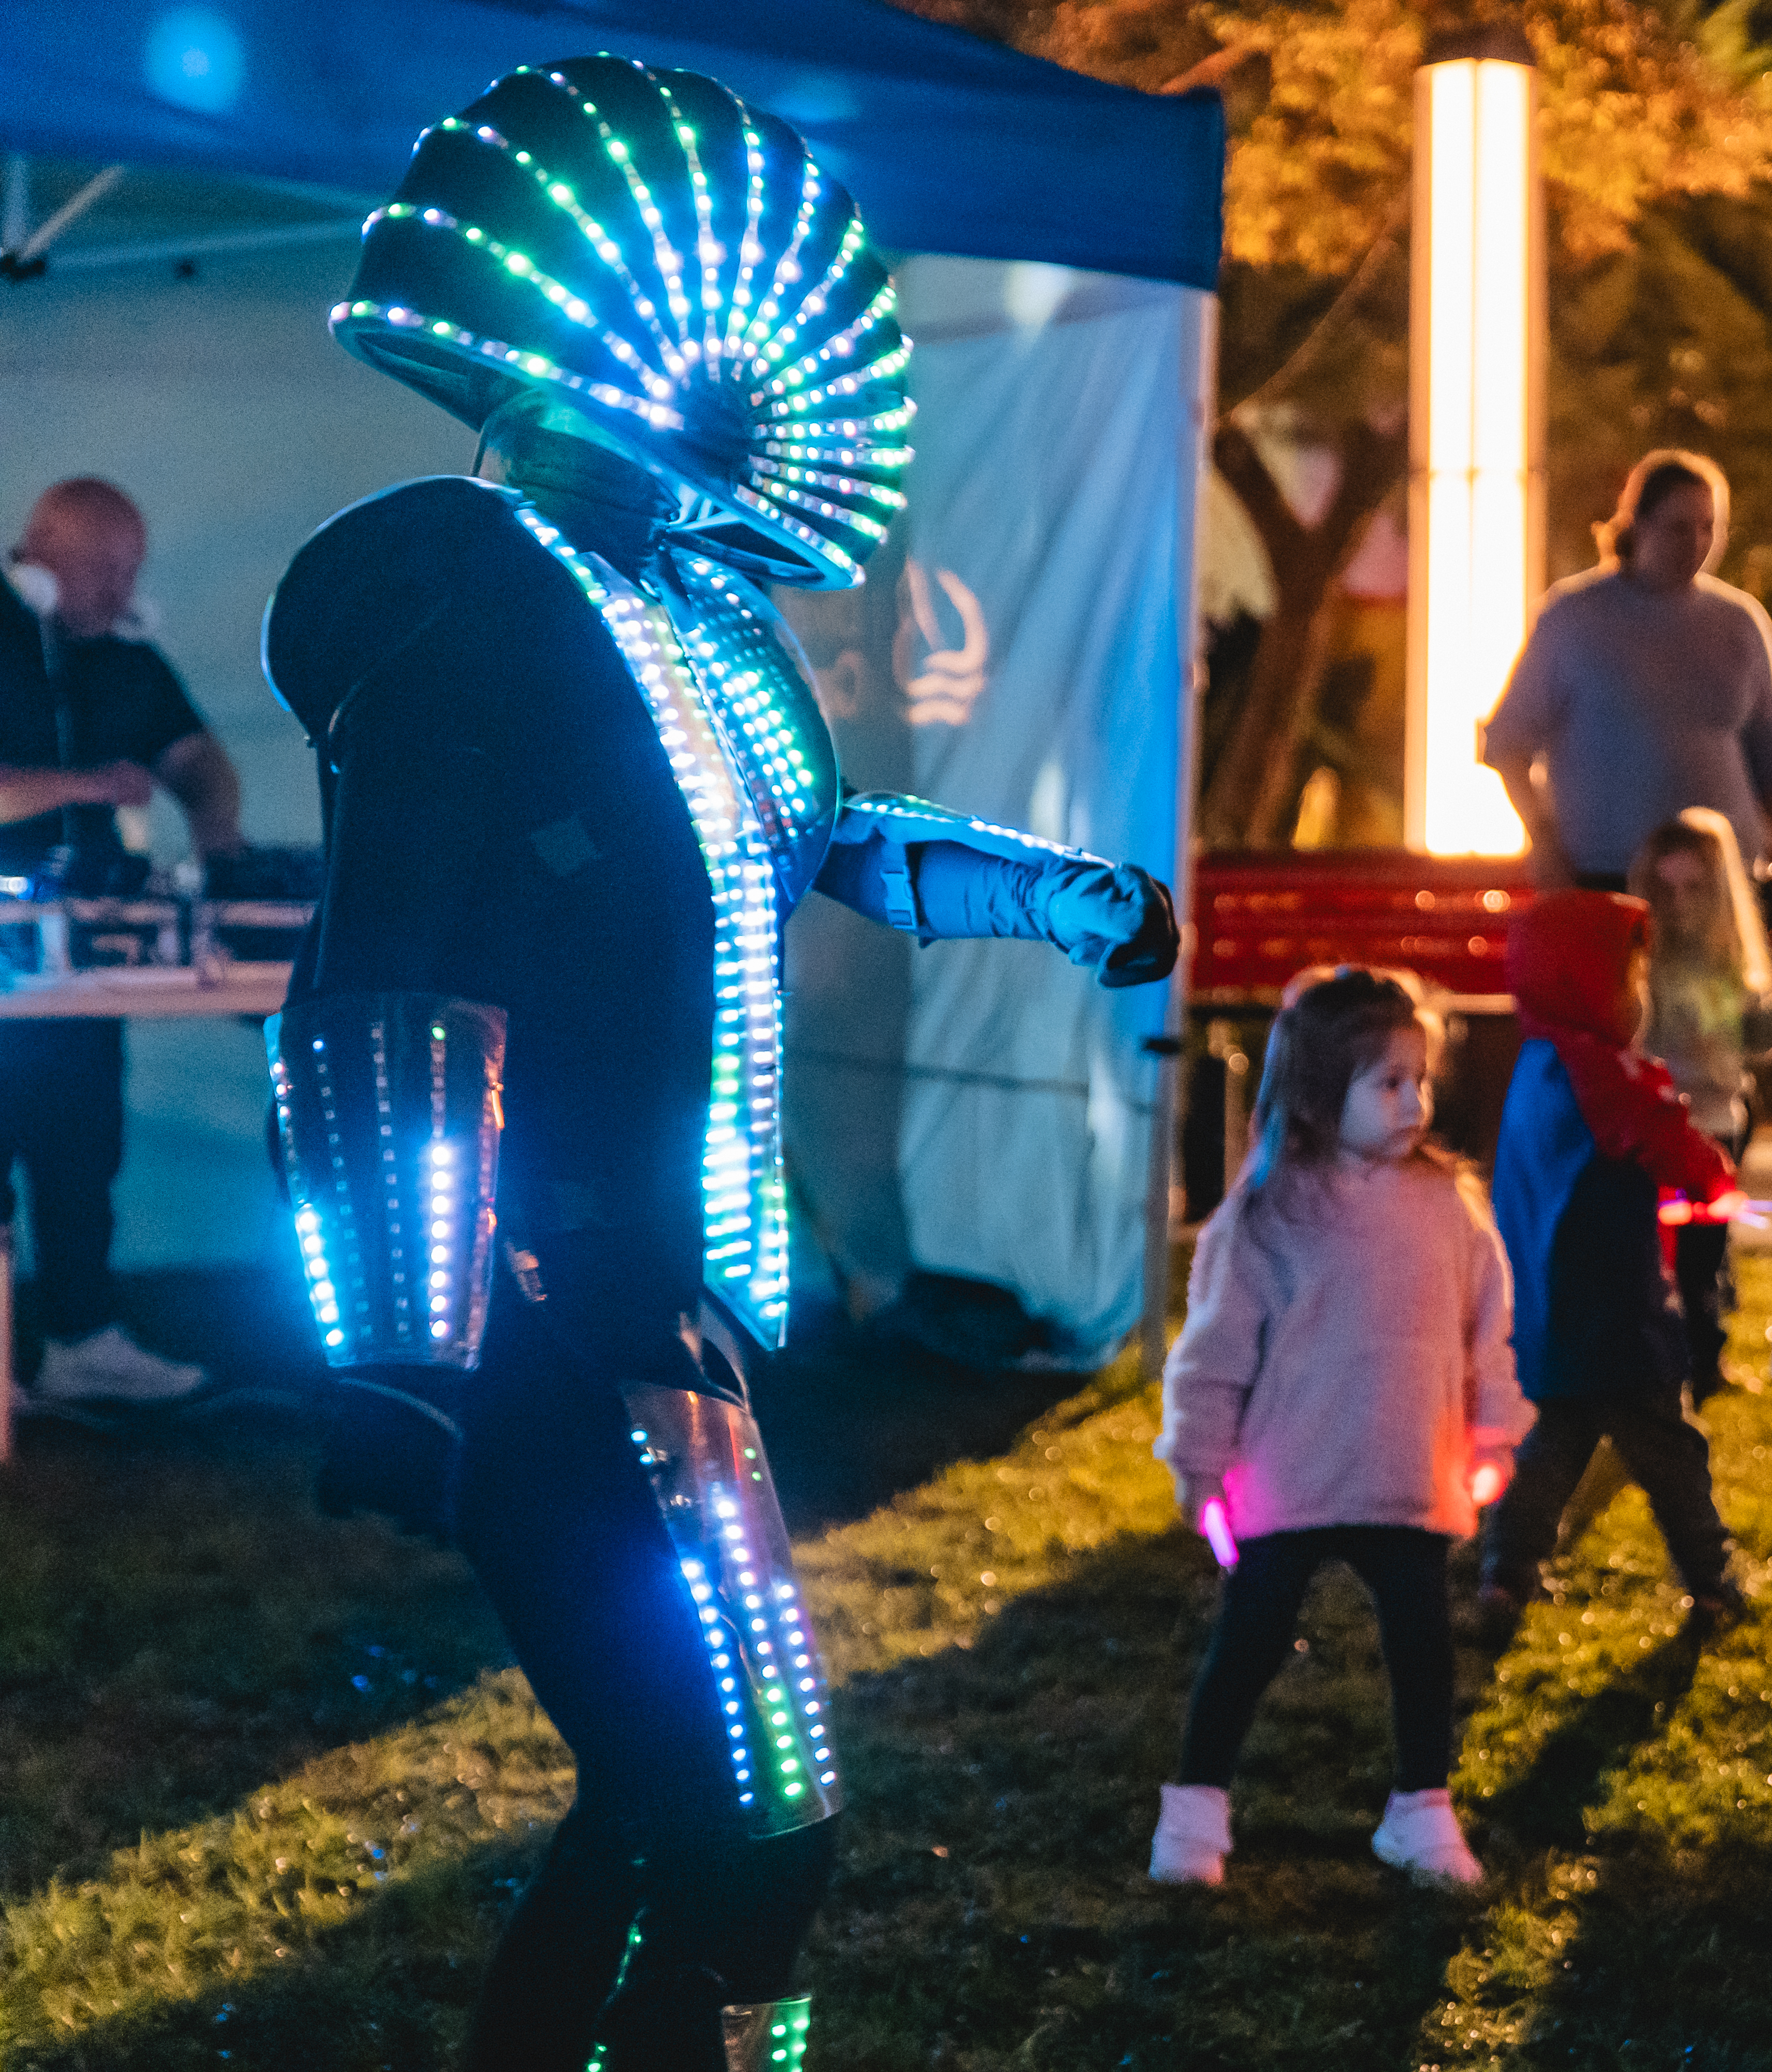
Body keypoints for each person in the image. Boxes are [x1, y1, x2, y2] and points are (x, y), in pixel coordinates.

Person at [266, 59, 1176, 2070]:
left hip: (672, 1304)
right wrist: (411, 1344)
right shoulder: (462, 596)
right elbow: (380, 971)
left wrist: (1064, 900)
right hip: (538, 1305)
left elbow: (826, 833)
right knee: (745, 1810)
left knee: (713, 1808)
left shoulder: (714, 625)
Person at [1150, 970, 1526, 1891]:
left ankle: (1421, 1811)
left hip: (1408, 1475)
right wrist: (1200, 1467)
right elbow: (1214, 1353)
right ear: (1321, 1095)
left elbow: (1488, 1332)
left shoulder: (1448, 1206)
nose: (1414, 1101)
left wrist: (1494, 1433)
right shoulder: (1266, 1219)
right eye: (1387, 1082)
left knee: (1423, 1647)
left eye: (1419, 1079)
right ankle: (1194, 1815)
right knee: (1248, 1644)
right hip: (1291, 1477)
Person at [0, 477, 251, 1404]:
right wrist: (87, 785)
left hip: (83, 960)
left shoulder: (124, 663)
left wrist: (219, 842)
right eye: (104, 568)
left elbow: (198, 760)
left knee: (80, 1143)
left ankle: (82, 1338)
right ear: (42, 557)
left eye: (131, 572)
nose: (118, 589)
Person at [1477, 889, 1748, 1639]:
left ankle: (1506, 1574)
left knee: (1550, 1449)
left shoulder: (1537, 1062)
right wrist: (1712, 1177)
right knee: (1668, 1451)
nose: (1640, 999)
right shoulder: (1604, 1072)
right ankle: (1711, 1578)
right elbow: (1669, 1144)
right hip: (1620, 1310)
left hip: (1551, 1311)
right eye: (1629, 981)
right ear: (1587, 982)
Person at [1479, 451, 1772, 895]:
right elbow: (1507, 743)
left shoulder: (1739, 622)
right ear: (1638, 525)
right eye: (1679, 528)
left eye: (1707, 528)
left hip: (1724, 880)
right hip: (1605, 873)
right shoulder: (1574, 619)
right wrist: (1543, 840)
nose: (1695, 543)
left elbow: (1771, 755)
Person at [1632, 808, 1772, 1401]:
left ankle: (1704, 1363)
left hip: (1722, 1120)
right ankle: (1678, 1364)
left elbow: (1758, 1040)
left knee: (1708, 1252)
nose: (1680, 903)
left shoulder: (1730, 962)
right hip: (1668, 1125)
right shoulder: (1645, 966)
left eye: (1694, 887)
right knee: (1671, 1256)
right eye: (1665, 890)